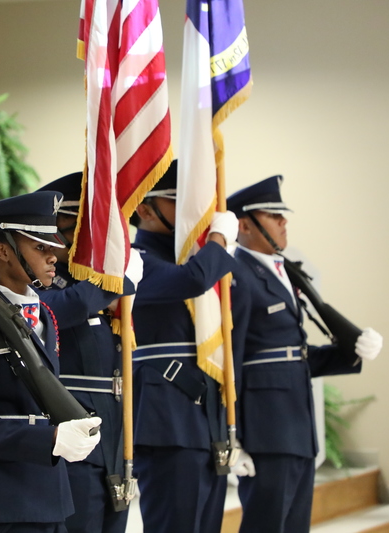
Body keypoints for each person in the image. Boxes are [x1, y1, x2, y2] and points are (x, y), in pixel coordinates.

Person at [226, 175, 383, 533]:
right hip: (265, 428)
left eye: (283, 215)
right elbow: (231, 358)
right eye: (273, 215)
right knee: (267, 525)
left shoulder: (284, 272)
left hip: (296, 425)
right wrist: (231, 431)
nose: (284, 222)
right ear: (244, 225)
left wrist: (351, 352)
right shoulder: (237, 274)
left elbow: (291, 355)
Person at [0, 190, 102, 533]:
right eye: (40, 247)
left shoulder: (42, 314)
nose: (54, 256)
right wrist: (51, 439)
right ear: (3, 251)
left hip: (49, 496)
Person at [129, 160, 241, 533]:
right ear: (145, 209)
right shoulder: (133, 260)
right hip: (167, 420)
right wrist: (219, 239)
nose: (197, 212)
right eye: (180, 201)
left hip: (203, 420)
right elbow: (190, 281)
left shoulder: (195, 261)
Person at [35, 172, 141, 533]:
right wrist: (119, 279)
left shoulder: (92, 281)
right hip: (76, 437)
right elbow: (66, 308)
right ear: (57, 227)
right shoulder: (40, 281)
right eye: (84, 225)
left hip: (114, 437)